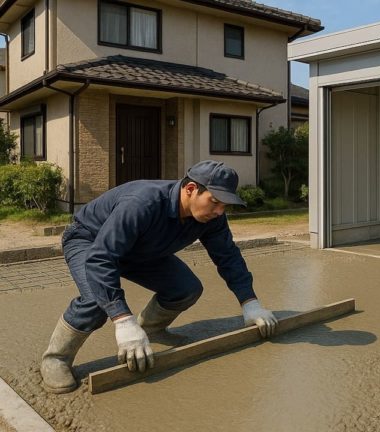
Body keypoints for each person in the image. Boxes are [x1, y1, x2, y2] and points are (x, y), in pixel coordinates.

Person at [40, 160, 279, 393]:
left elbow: (228, 257)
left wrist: (250, 302)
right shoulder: (143, 203)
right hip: (90, 240)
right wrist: (123, 320)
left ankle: (151, 330)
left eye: (225, 205)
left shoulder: (212, 218)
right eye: (215, 201)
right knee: (96, 301)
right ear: (190, 189)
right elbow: (102, 258)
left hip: (139, 249)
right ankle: (56, 358)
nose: (219, 211)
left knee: (186, 288)